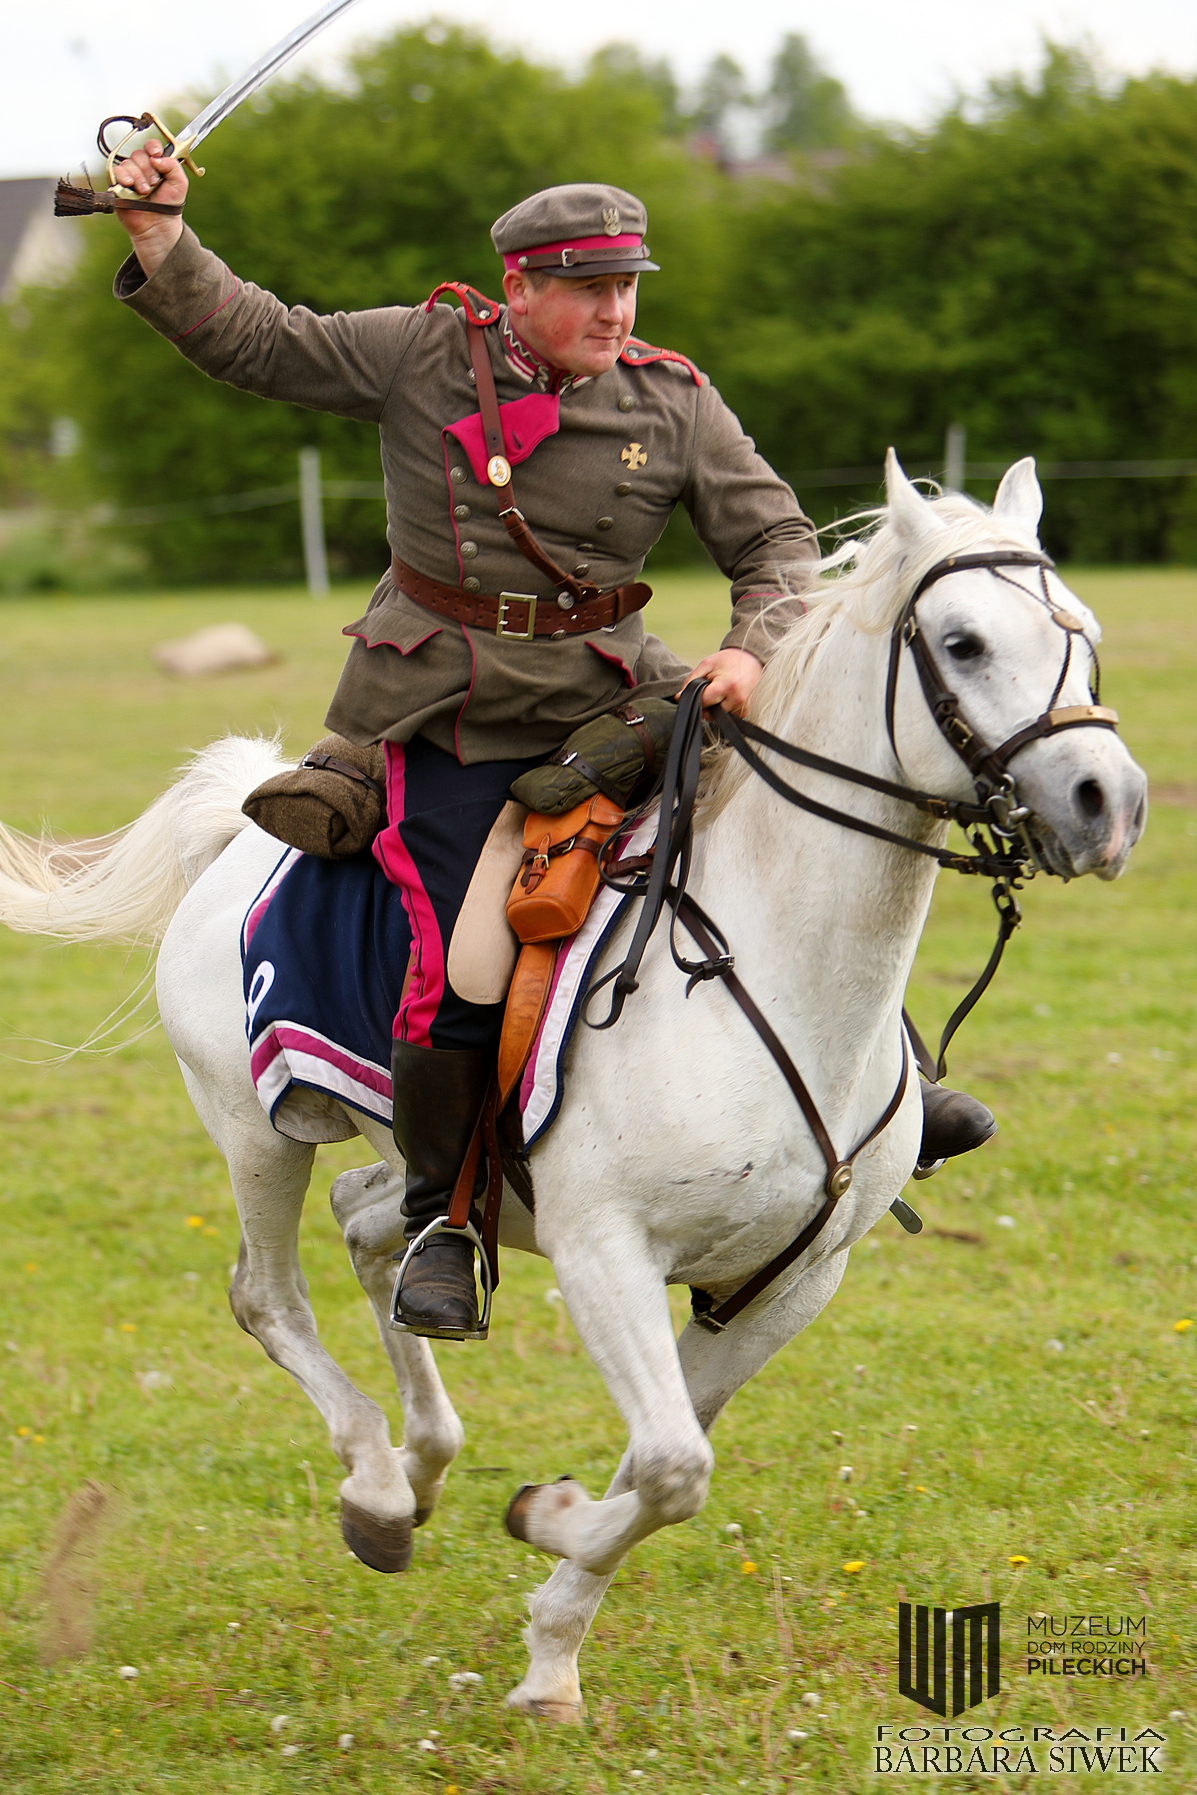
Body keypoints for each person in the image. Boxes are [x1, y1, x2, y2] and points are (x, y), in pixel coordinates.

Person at [110, 152, 994, 1337]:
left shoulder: (672, 399)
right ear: (519, 288)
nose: (617, 311)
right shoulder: (421, 353)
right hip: (450, 708)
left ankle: (892, 1087)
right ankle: (438, 1217)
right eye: (589, 289)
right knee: (468, 957)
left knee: (797, 851)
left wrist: (753, 646)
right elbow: (261, 341)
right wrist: (162, 237)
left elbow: (775, 540)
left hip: (621, 692)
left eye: (628, 286)